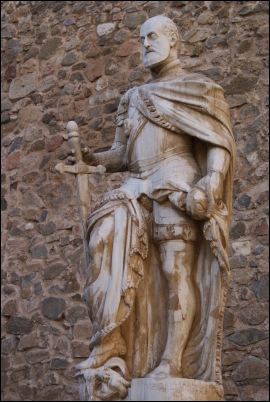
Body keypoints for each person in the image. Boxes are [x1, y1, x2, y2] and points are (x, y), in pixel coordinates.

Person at [71, 16, 235, 384]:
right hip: (134, 183)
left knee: (174, 272)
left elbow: (216, 141)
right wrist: (91, 159)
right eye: (141, 38)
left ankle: (171, 363)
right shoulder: (131, 97)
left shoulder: (197, 88)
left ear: (173, 40)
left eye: (153, 36)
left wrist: (211, 181)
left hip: (175, 181)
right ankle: (110, 344)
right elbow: (122, 154)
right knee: (101, 241)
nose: (145, 44)